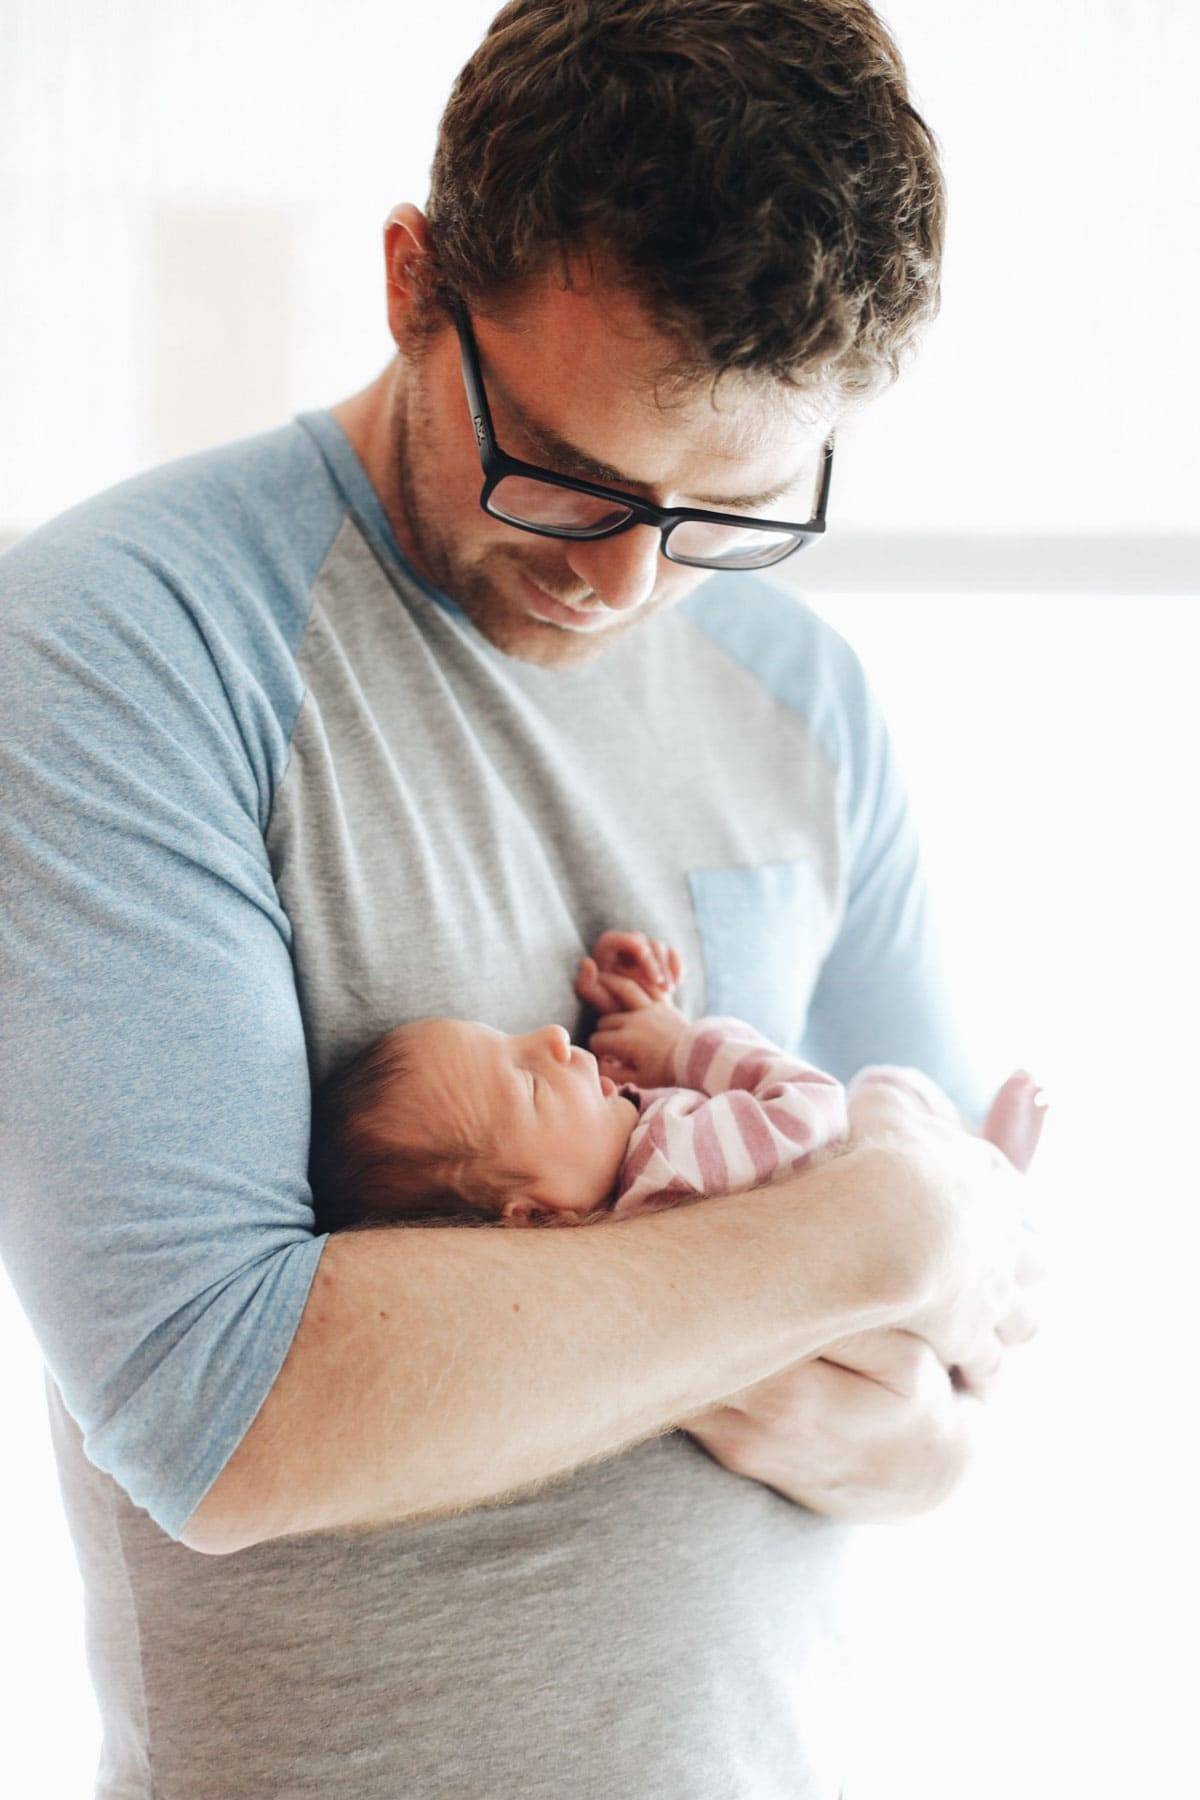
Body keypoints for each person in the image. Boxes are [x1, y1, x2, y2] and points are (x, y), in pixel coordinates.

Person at [0, 4, 1046, 1796]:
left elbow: (970, 1382)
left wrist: (886, 1386)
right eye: (565, 472)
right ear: (414, 281)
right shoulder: (124, 648)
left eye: (725, 508)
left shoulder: (805, 701)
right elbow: (223, 1413)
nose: (627, 581)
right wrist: (869, 1240)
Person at [308, 927, 1046, 1233]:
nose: (551, 1037)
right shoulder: (672, 1164)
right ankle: (991, 1174)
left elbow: (639, 1102)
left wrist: (639, 1021)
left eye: (512, 1039)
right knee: (883, 1093)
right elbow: (809, 1107)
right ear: (533, 1216)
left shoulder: (617, 1177)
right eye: (528, 1082)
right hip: (906, 1199)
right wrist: (686, 1043)